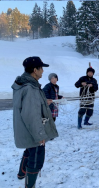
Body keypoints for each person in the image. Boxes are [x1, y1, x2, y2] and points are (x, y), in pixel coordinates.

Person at [12, 57, 58, 188]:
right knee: (36, 159)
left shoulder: (23, 84)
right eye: (41, 68)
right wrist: (40, 135)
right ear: (34, 70)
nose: (43, 71)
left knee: (29, 151)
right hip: (33, 129)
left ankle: (21, 174)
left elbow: (28, 105)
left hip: (26, 128)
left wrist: (44, 102)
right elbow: (31, 115)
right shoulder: (31, 88)